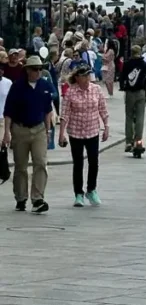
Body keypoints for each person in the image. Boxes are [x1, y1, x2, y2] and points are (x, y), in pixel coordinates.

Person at [2, 55, 54, 213]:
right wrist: (7, 133)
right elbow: (8, 111)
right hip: (20, 129)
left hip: (39, 129)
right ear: (28, 70)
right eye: (35, 69)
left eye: (40, 69)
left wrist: (48, 130)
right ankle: (21, 197)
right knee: (21, 167)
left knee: (40, 163)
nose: (38, 72)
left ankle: (38, 198)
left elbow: (48, 110)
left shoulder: (45, 86)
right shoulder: (17, 87)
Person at [58, 63, 109, 206]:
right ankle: (78, 194)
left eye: (88, 75)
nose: (87, 78)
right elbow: (65, 114)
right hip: (75, 132)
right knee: (78, 163)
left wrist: (106, 127)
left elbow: (103, 110)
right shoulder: (70, 92)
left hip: (92, 130)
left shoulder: (96, 89)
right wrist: (61, 134)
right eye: (84, 76)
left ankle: (91, 189)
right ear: (77, 78)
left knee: (94, 162)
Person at [119, 45, 146, 153]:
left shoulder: (127, 64)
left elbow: (122, 77)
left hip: (130, 92)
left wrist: (123, 87)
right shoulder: (144, 64)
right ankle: (138, 140)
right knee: (140, 116)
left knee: (129, 116)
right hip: (141, 92)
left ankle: (128, 141)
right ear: (140, 52)